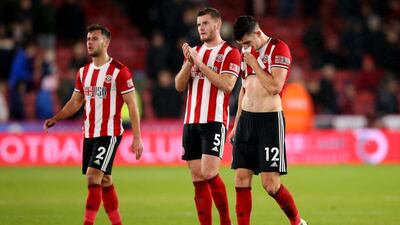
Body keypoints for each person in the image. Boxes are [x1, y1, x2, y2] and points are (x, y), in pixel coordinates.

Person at [43, 24, 144, 225]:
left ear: (106, 42)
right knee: (104, 180)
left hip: (109, 133)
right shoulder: (84, 72)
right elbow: (75, 101)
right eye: (88, 39)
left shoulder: (119, 71)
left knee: (92, 176)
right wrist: (57, 117)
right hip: (89, 133)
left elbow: (132, 105)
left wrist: (137, 138)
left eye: (95, 39)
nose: (90, 42)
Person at [229, 16, 307, 225]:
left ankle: (297, 221)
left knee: (270, 184)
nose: (245, 48)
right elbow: (244, 89)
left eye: (247, 42)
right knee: (241, 178)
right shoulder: (245, 52)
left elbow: (274, 87)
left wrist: (254, 63)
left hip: (269, 122)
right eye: (241, 44)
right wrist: (236, 124)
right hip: (246, 120)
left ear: (257, 33)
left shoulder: (279, 49)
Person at [175, 8, 241, 225]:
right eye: (198, 25)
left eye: (205, 23)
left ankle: (225, 221)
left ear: (217, 24)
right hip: (191, 122)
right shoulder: (193, 51)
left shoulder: (230, 52)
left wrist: (201, 64)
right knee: (197, 178)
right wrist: (188, 64)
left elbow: (228, 85)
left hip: (213, 121)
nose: (201, 28)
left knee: (210, 172)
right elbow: (179, 85)